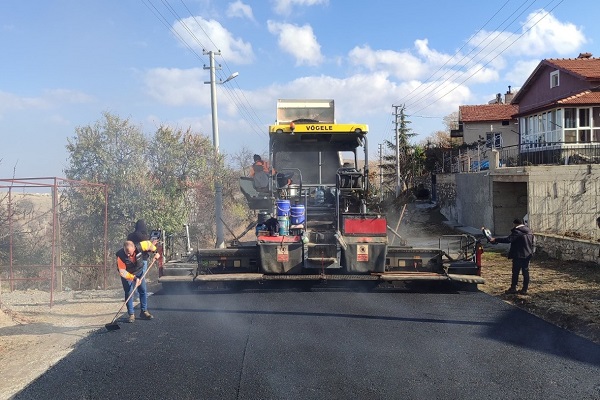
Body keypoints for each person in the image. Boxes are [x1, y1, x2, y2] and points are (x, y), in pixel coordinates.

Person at [116, 240, 160, 323]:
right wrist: (135, 279)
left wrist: (155, 252)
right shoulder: (120, 256)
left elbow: (149, 244)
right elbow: (122, 272)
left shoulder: (140, 246)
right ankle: (131, 314)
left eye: (130, 253)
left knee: (143, 290)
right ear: (124, 249)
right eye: (126, 252)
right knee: (129, 292)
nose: (128, 255)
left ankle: (144, 311)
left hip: (139, 271)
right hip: (127, 274)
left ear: (134, 248)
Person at [489, 218, 535, 295]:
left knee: (515, 272)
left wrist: (496, 240)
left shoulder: (517, 231)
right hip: (527, 254)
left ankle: (513, 288)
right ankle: (524, 289)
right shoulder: (529, 231)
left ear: (515, 224)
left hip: (518, 254)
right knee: (525, 272)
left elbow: (508, 239)